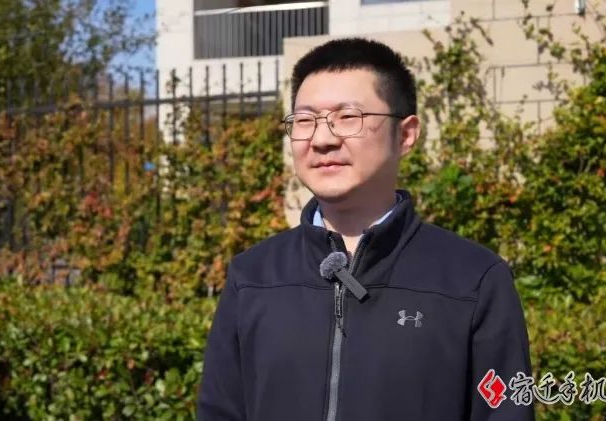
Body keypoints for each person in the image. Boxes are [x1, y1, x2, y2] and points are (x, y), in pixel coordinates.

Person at [197, 38, 534, 421]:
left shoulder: (474, 280)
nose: (322, 139)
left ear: (406, 134)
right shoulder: (252, 277)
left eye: (348, 117)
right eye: (305, 121)